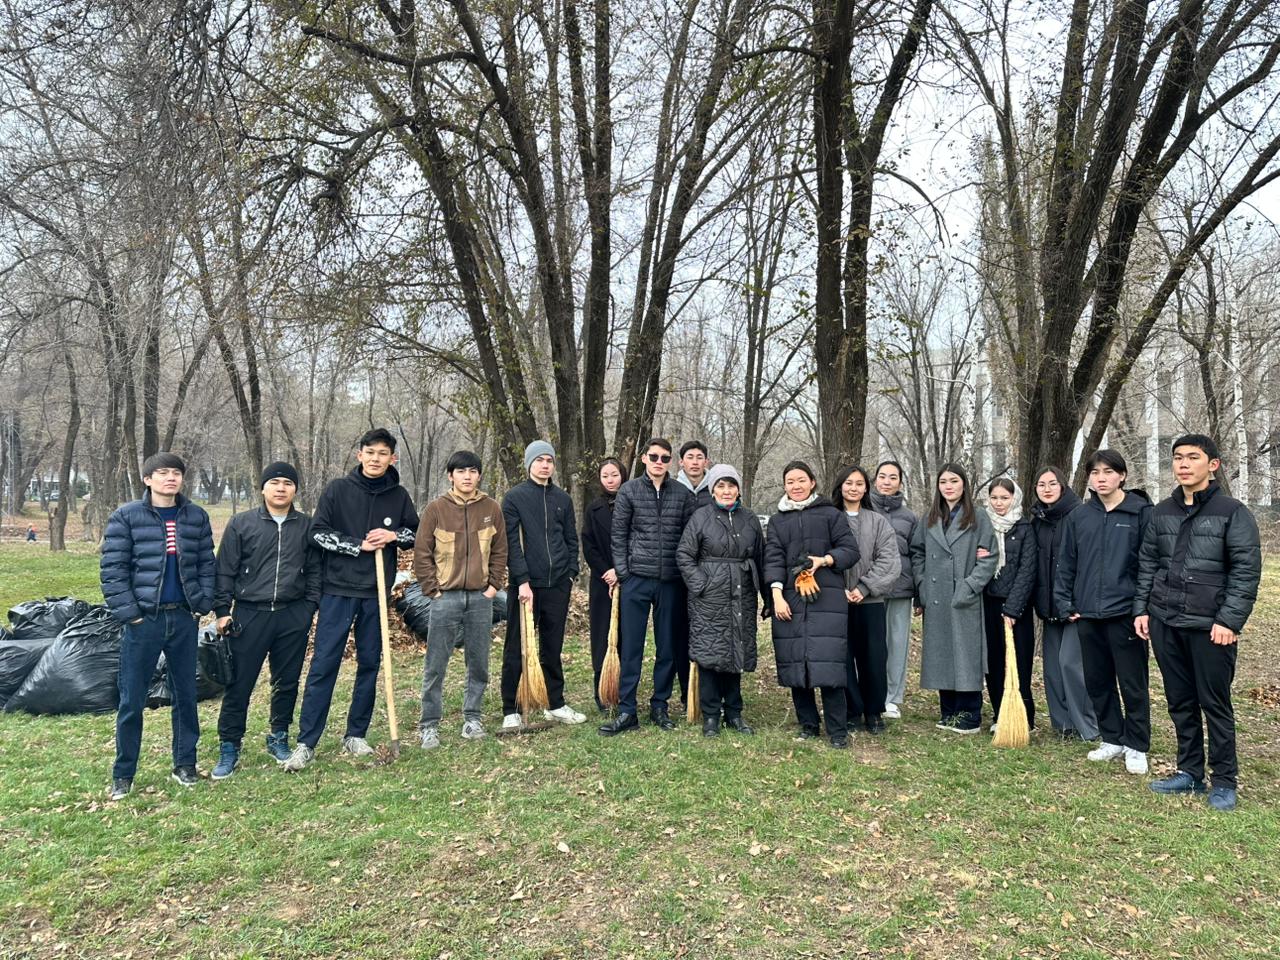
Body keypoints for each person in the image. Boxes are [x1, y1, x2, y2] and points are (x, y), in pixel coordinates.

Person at [1136, 434, 1262, 812]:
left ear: (1214, 464)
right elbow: (1147, 564)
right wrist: (1142, 609)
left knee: (1215, 703)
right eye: (1178, 458)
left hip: (1212, 627)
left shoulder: (1232, 512)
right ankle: (1190, 771)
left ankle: (1224, 779)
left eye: (1193, 457)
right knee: (1180, 701)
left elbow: (1245, 570)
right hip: (1165, 621)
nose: (1184, 464)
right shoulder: (1161, 512)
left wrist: (1229, 620)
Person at [283, 429, 419, 772]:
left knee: (370, 663)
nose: (376, 459)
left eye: (382, 453)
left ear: (393, 458)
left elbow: (415, 533)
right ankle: (307, 741)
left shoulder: (398, 495)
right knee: (324, 663)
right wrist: (357, 545)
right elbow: (317, 533)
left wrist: (393, 535)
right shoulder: (338, 490)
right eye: (370, 452)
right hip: (339, 590)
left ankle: (355, 733)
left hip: (376, 592)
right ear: (359, 455)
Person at [100, 452, 215, 800]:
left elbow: (207, 564)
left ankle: (184, 764)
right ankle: (124, 774)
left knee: (186, 695)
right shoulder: (127, 517)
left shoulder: (195, 516)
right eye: (162, 473)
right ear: (147, 479)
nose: (170, 479)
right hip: (144, 621)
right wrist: (131, 614)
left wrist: (202, 605)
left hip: (183, 618)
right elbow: (113, 570)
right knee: (132, 699)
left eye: (176, 473)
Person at [210, 462, 322, 779]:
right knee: (239, 683)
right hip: (249, 614)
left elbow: (315, 571)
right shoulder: (242, 524)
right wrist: (222, 611)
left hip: (291, 615)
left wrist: (309, 607)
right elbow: (225, 571)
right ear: (263, 488)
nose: (281, 487)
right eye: (274, 482)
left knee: (286, 682)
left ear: (295, 489)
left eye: (288, 482)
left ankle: (278, 737)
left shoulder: (306, 526)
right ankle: (229, 745)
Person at [1055, 450, 1153, 775]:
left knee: (1132, 682)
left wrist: (1142, 607)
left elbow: (1149, 565)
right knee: (1097, 681)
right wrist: (1066, 603)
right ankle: (1112, 737)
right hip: (1087, 614)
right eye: (1095, 473)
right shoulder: (1079, 517)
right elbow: (1066, 563)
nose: (1101, 478)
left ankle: (1136, 745)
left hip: (1126, 613)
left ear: (1122, 475)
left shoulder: (1141, 513)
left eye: (1108, 472)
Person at [600, 438, 696, 735]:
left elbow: (689, 539)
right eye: (653, 456)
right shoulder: (629, 491)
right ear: (644, 459)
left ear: (670, 462)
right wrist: (626, 574)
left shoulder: (682, 495)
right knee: (632, 647)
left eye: (665, 458)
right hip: (637, 580)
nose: (658, 461)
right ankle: (628, 710)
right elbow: (619, 536)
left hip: (670, 582)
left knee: (667, 645)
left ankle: (660, 705)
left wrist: (681, 574)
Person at [414, 450, 508, 747]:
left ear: (479, 475)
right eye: (461, 471)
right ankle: (429, 724)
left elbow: (500, 550)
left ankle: (472, 718)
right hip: (446, 598)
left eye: (472, 471)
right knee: (436, 663)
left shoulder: (491, 508)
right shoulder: (436, 509)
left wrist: (493, 587)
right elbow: (422, 553)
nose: (467, 477)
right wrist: (433, 591)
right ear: (450, 476)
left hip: (481, 598)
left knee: (478, 661)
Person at [764, 460, 860, 748]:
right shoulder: (778, 521)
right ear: (784, 486)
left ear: (812, 483)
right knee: (797, 662)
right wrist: (776, 595)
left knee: (829, 663)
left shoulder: (831, 514)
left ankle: (838, 730)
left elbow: (850, 550)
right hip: (791, 598)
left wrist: (825, 560)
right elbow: (773, 559)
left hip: (826, 597)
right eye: (790, 481)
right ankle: (808, 724)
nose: (796, 486)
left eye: (801, 480)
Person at [676, 463, 770, 737]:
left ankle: (735, 713)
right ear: (712, 489)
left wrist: (767, 597)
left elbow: (762, 558)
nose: (726, 491)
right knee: (710, 653)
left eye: (731, 485)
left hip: (742, 594)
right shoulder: (701, 517)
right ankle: (710, 715)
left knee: (735, 652)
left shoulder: (750, 518)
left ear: (738, 489)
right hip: (709, 596)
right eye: (720, 486)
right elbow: (684, 554)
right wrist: (701, 584)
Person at [500, 441, 586, 730]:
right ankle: (510, 707)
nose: (545, 465)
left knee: (552, 646)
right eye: (539, 460)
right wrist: (522, 580)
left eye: (549, 460)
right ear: (529, 464)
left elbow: (571, 539)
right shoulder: (514, 498)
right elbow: (512, 543)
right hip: (526, 586)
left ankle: (555, 703)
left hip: (557, 584)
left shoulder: (562, 498)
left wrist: (570, 572)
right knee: (517, 646)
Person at [910, 463, 998, 734]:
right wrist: (923, 587)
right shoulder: (930, 517)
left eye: (954, 481)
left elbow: (989, 555)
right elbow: (917, 552)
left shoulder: (978, 516)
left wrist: (970, 586)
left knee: (966, 655)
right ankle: (948, 712)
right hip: (935, 597)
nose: (948, 486)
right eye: (944, 482)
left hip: (964, 598)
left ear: (964, 485)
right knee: (941, 655)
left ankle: (970, 714)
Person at [1030, 466, 1098, 741]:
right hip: (1048, 607)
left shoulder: (1079, 515)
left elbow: (1086, 564)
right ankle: (1063, 726)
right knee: (1053, 670)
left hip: (1073, 607)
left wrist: (1075, 601)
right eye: (1041, 484)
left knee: (1072, 666)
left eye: (1052, 483)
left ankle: (1088, 728)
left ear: (1063, 486)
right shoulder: (1038, 520)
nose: (1046, 489)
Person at [831, 466, 899, 735]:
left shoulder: (878, 521)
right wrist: (839, 590)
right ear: (840, 486)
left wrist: (865, 587)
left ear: (866, 488)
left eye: (859, 484)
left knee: (873, 657)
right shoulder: (830, 518)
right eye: (848, 483)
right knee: (843, 659)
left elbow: (889, 560)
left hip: (870, 601)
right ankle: (851, 710)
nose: (854, 488)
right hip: (836, 602)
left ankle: (874, 711)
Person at [981, 478, 1037, 734]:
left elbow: (1028, 570)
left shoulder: (1025, 528)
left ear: (1014, 499)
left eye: (1005, 498)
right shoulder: (982, 525)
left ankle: (1025, 716)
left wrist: (1013, 609)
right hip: (988, 604)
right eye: (995, 498)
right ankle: (999, 714)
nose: (999, 503)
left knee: (1019, 662)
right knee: (993, 663)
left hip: (1017, 609)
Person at [870, 461, 918, 719]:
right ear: (875, 479)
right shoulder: (864, 509)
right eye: (882, 476)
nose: (887, 482)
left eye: (893, 477)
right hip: (869, 590)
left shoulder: (909, 517)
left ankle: (891, 698)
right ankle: (868, 693)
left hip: (900, 590)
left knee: (896, 645)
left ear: (900, 482)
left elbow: (917, 555)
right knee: (869, 644)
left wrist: (918, 592)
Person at [582, 458, 627, 711]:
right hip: (603, 582)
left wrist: (621, 571)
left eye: (615, 475)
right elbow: (588, 544)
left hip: (628, 578)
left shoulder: (632, 502)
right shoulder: (594, 508)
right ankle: (601, 689)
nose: (611, 480)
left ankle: (622, 689)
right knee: (602, 635)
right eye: (605, 476)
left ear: (622, 475)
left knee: (625, 636)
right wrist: (607, 571)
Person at [676, 440, 713, 509]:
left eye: (699, 458)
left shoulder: (714, 489)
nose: (695, 462)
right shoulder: (672, 489)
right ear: (681, 462)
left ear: (706, 462)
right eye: (690, 458)